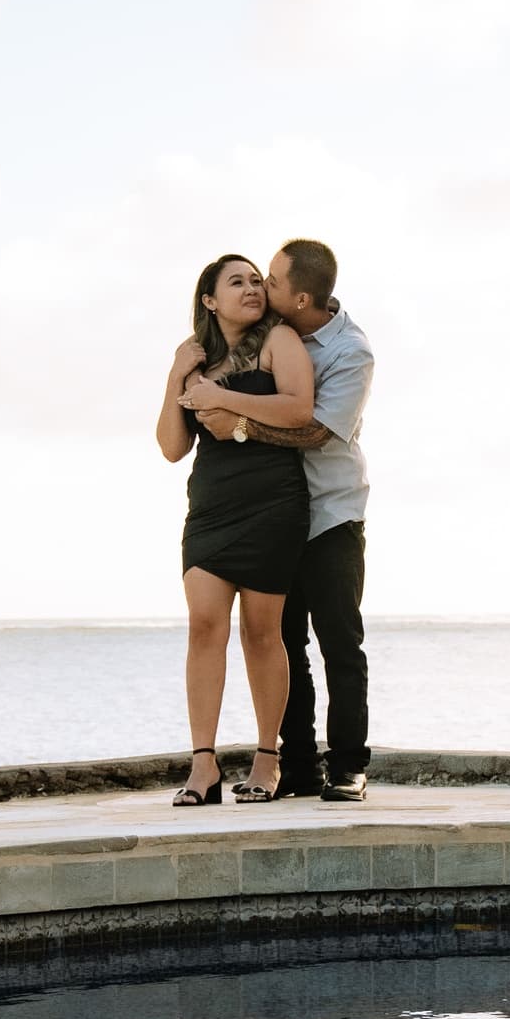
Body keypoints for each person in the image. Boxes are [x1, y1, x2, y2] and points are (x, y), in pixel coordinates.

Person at [187, 238, 372, 803]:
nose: (261, 288)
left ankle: (347, 766)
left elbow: (313, 429)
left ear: (301, 297)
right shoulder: (259, 337)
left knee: (339, 639)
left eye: (270, 280)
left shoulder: (350, 352)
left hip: (331, 509)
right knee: (282, 639)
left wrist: (236, 423)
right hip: (275, 510)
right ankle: (295, 766)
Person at [157, 253, 314, 806]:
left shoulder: (279, 341)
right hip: (211, 509)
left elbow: (299, 409)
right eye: (237, 282)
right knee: (204, 626)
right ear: (209, 300)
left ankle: (267, 760)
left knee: (261, 632)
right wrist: (178, 374)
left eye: (256, 281)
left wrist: (219, 396)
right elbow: (173, 447)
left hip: (273, 503)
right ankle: (204, 765)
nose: (251, 289)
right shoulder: (195, 359)